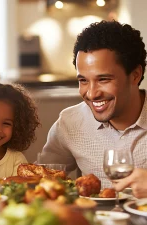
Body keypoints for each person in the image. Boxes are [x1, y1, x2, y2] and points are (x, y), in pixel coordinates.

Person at [40, 20, 147, 195]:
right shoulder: (70, 123)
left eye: (103, 79)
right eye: (83, 80)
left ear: (135, 75)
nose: (91, 94)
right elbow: (42, 180)